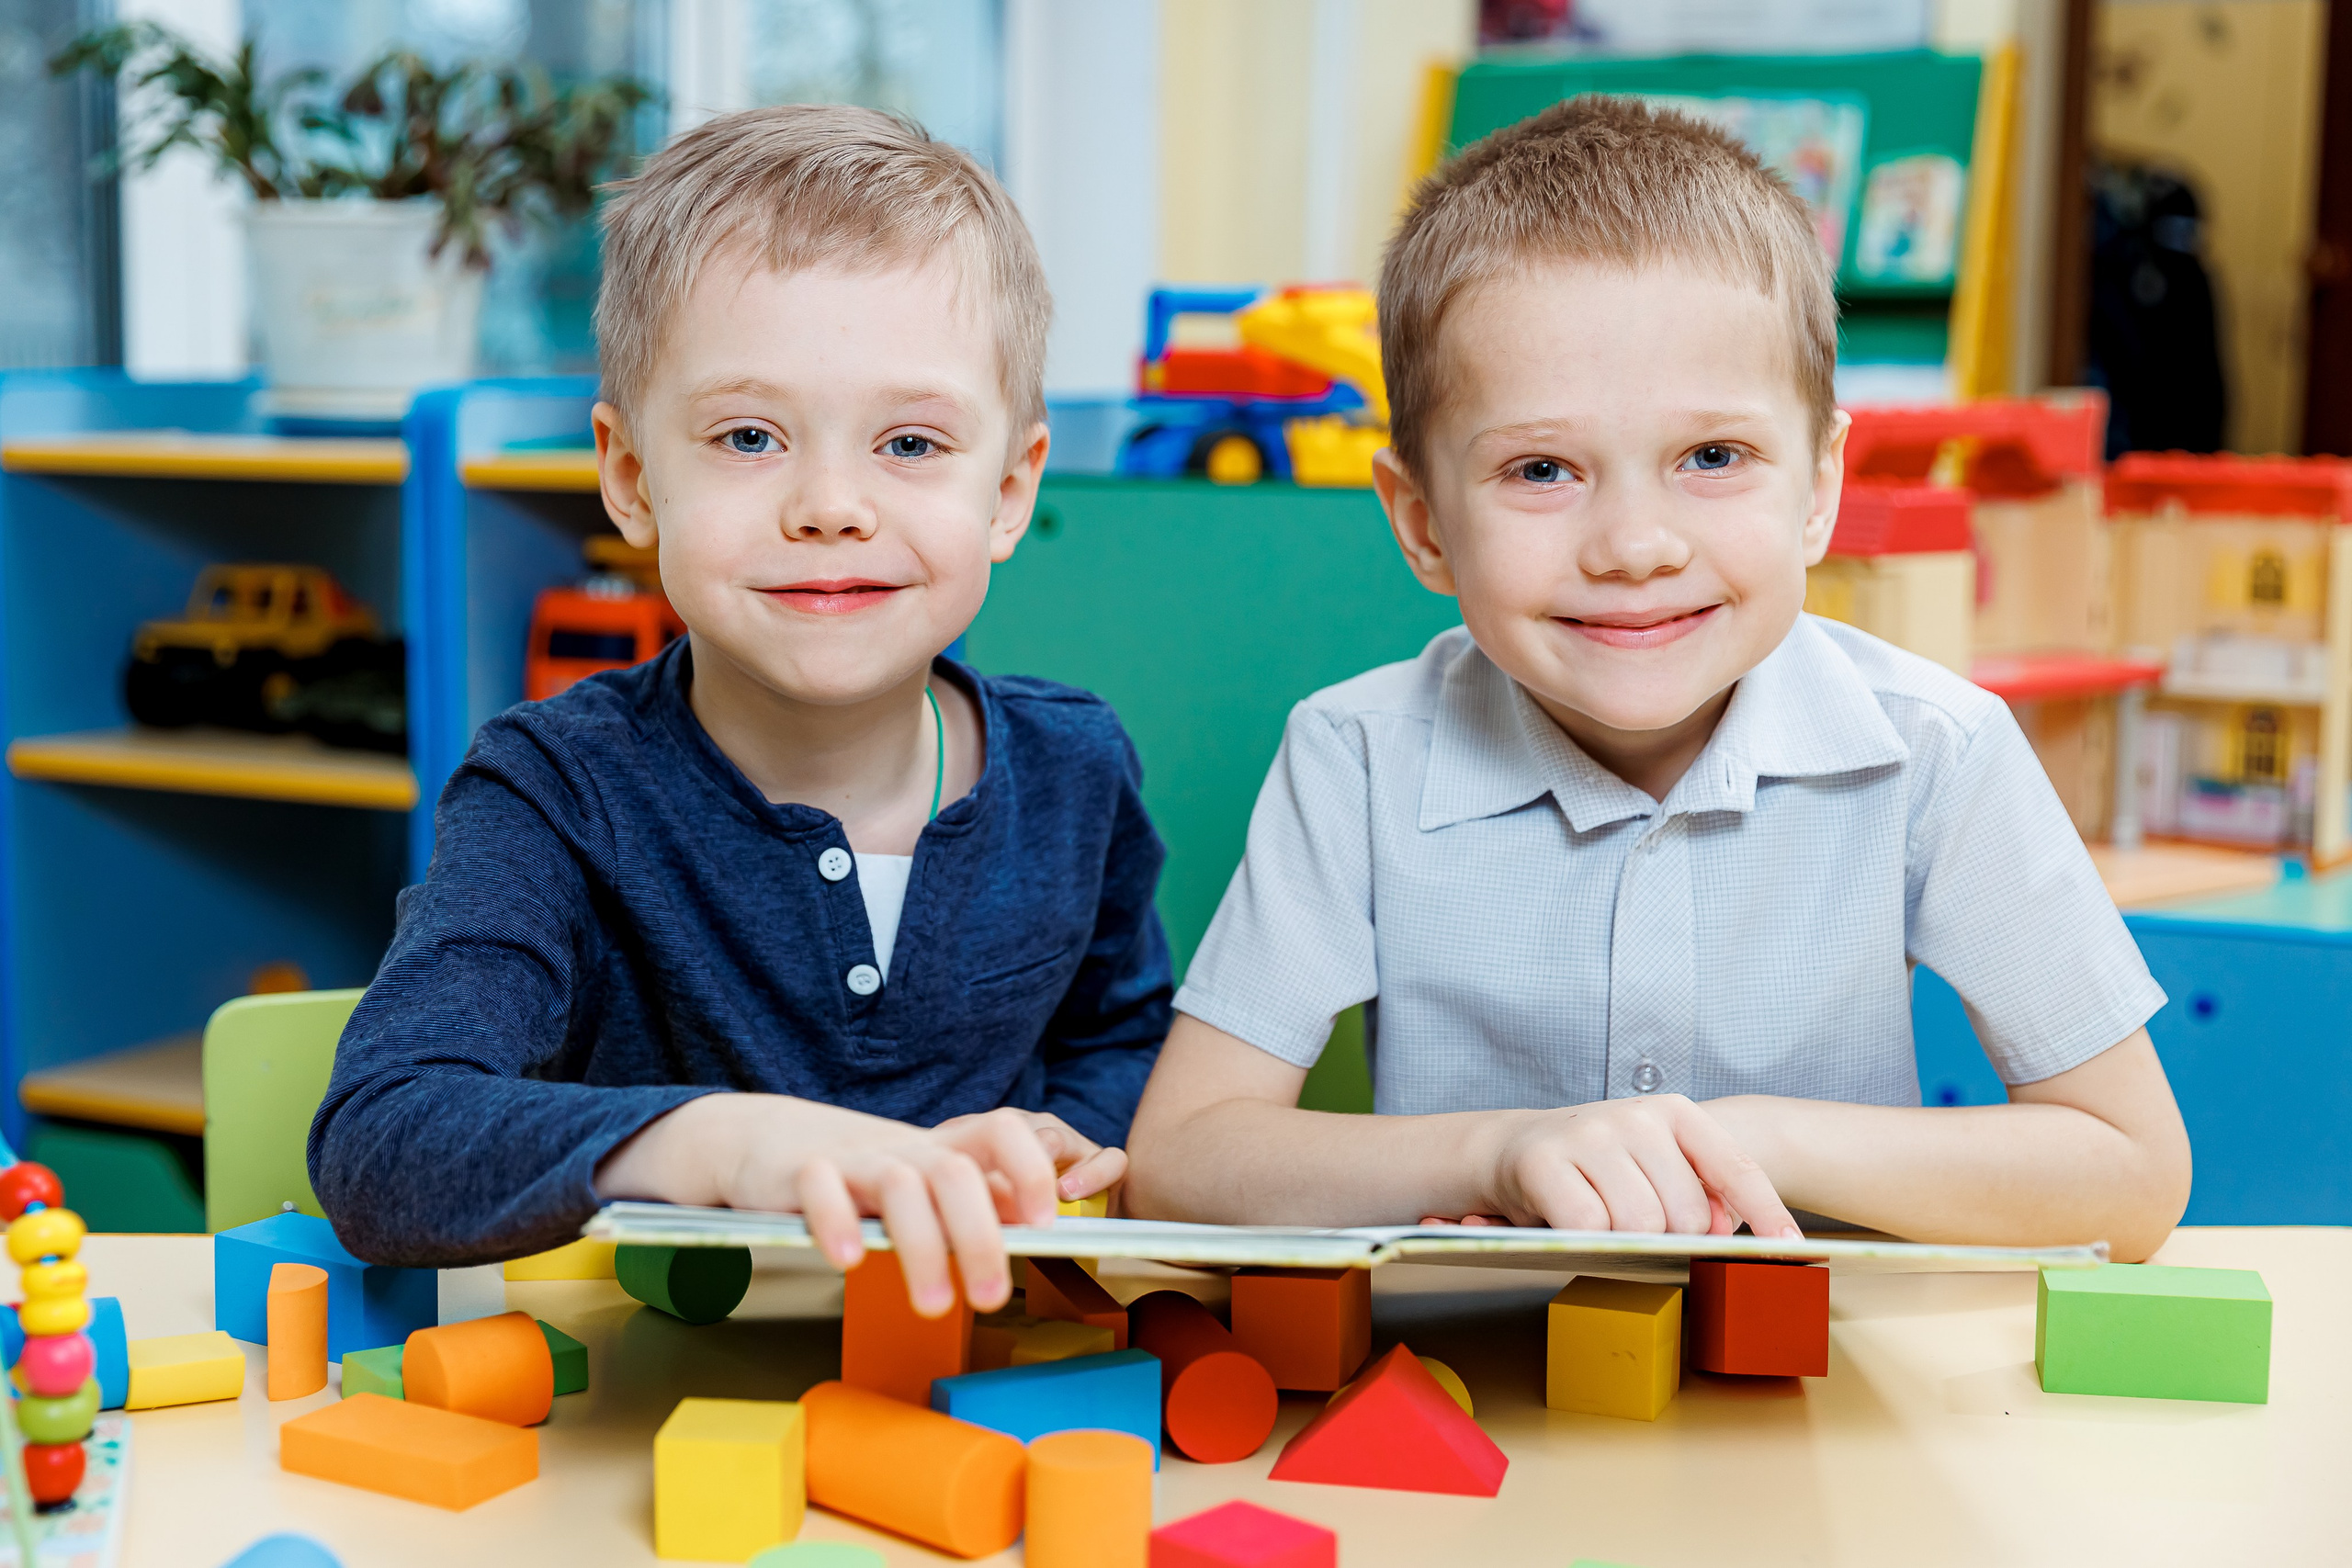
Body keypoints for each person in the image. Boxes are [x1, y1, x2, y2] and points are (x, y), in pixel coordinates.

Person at [1125, 98, 2191, 1260]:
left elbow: (2132, 1172)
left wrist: (1747, 1142)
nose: (1635, 545)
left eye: (1713, 457)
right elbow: (1180, 1160)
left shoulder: (1936, 749)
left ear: (1821, 485)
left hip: (1815, 1392)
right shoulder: (1357, 754)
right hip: (1477, 1394)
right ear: (1421, 523)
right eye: (1542, 469)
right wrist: (1495, 1153)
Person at [312, 107, 1171, 1316]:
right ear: (630, 476)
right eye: (750, 435)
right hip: (650, 1409)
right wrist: (725, 1143)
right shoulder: (551, 791)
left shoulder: (1077, 769)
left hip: (986, 1394)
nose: (830, 503)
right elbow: (384, 1137)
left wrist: (1065, 1143)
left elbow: (1127, 1043)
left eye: (912, 441)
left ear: (1011, 490)